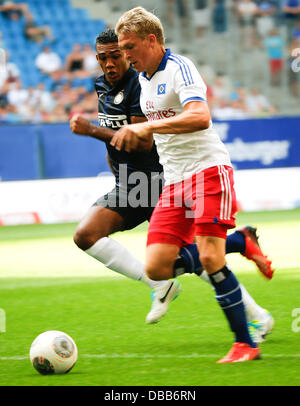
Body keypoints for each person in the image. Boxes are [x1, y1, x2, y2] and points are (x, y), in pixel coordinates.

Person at [70, 29, 274, 342]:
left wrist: (91, 130)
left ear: (128, 53)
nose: (109, 63)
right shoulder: (102, 86)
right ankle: (175, 278)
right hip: (131, 183)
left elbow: (140, 142)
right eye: (103, 58)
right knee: (86, 234)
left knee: (202, 258)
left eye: (116, 55)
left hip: (159, 179)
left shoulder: (140, 83)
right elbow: (118, 136)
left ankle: (257, 314)